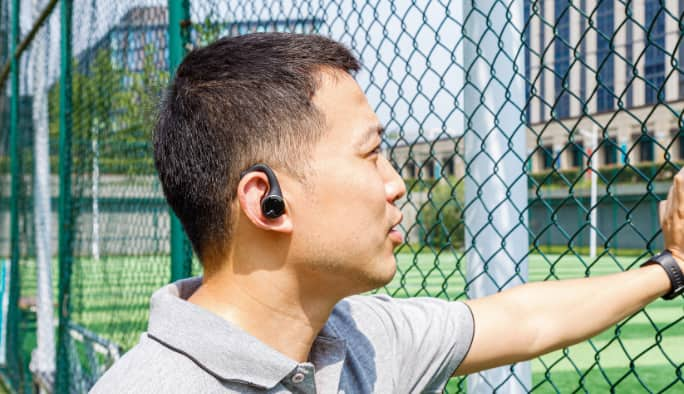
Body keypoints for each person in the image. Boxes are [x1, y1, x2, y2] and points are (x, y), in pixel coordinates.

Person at [91, 33, 684, 393]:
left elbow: (523, 320)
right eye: (372, 154)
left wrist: (673, 265)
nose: (396, 185)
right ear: (266, 201)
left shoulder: (362, 337)